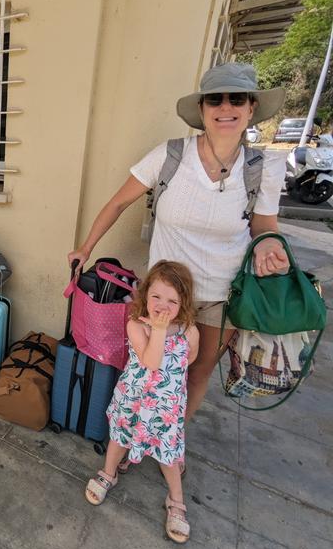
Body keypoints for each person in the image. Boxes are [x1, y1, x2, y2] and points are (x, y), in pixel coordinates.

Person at [67, 63, 289, 426]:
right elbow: (118, 202)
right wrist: (86, 247)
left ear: (251, 108)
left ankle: (170, 441)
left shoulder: (263, 167)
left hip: (222, 295)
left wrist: (267, 244)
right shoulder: (170, 156)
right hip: (164, 295)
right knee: (148, 370)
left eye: (237, 99)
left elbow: (264, 225)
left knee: (195, 375)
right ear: (202, 110)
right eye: (215, 99)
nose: (225, 107)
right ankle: (135, 436)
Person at [85, 261, 199, 544]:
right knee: (120, 438)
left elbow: (190, 360)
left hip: (165, 407)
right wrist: (158, 331)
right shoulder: (136, 325)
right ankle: (109, 473)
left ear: (183, 304)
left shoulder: (190, 331)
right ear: (145, 296)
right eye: (156, 297)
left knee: (168, 455)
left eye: (172, 301)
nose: (162, 306)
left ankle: (176, 500)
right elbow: (150, 361)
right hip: (134, 400)